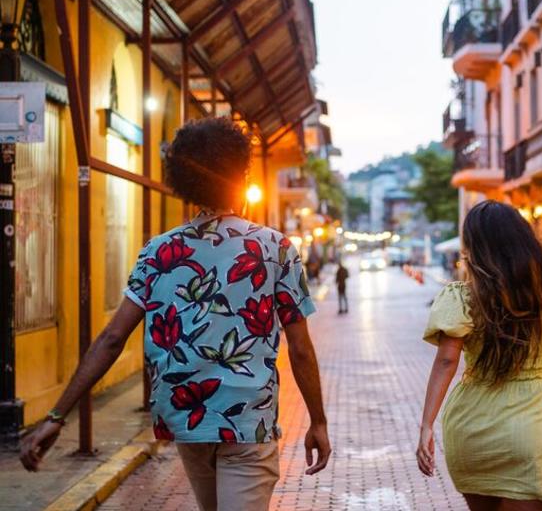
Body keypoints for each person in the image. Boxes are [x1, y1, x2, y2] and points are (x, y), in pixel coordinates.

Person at [20, 118, 331, 511]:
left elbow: (112, 339)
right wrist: (317, 422)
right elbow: (300, 348)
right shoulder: (274, 248)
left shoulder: (158, 252)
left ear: (182, 178)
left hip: (188, 422)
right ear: (241, 174)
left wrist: (57, 415)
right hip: (249, 422)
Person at [416, 201, 542, 511]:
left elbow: (446, 361)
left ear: (474, 247)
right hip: (530, 429)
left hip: (471, 429)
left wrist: (427, 426)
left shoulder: (462, 297)